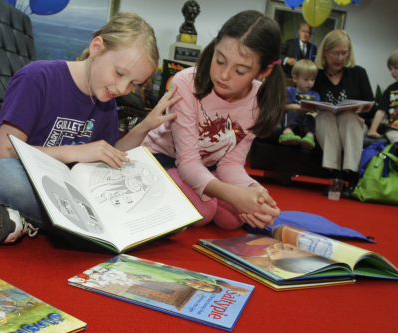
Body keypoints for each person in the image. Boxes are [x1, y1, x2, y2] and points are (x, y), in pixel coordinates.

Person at [0, 13, 181, 247]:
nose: (121, 88)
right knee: (5, 176)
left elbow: (109, 153)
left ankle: (30, 221)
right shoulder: (38, 77)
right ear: (97, 47)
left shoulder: (106, 102)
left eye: (133, 84)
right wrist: (77, 152)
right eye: (119, 73)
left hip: (60, 188)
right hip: (9, 175)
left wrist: (147, 124)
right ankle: (104, 234)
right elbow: (5, 152)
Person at [141, 10, 284, 230]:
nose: (224, 75)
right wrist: (232, 194)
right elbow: (187, 161)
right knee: (206, 212)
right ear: (215, 46)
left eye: (240, 71)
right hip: (162, 158)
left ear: (263, 72)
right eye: (220, 60)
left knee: (232, 220)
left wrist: (255, 191)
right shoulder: (187, 83)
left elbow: (231, 162)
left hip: (207, 165)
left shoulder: (260, 101)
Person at [312, 30, 375, 198]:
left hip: (353, 122)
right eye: (335, 53)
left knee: (348, 118)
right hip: (327, 121)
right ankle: (336, 175)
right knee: (325, 117)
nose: (340, 58)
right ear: (325, 52)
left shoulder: (358, 73)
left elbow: (371, 105)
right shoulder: (316, 75)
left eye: (344, 53)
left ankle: (352, 177)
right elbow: (307, 98)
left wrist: (357, 110)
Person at [279, 59, 320, 150]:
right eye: (306, 79)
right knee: (292, 113)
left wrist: (313, 114)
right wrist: (293, 107)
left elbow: (317, 110)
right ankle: (287, 132)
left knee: (311, 118)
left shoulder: (315, 94)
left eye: (312, 79)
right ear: (295, 78)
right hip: (293, 115)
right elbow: (280, 107)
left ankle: (309, 137)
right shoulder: (289, 91)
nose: (309, 82)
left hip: (307, 117)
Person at [367, 49, 398, 146]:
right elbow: (381, 111)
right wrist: (372, 129)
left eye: (396, 68)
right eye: (390, 69)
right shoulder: (390, 90)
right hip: (393, 129)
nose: (392, 72)